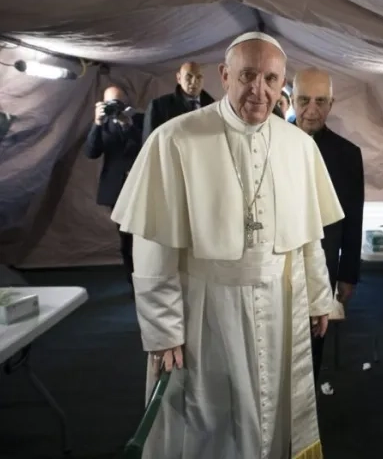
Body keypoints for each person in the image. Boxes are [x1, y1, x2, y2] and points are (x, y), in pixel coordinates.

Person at [111, 31, 344, 459]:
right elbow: (154, 247)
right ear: (224, 75)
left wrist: (317, 297)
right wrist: (163, 330)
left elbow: (310, 235)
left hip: (279, 305)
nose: (260, 90)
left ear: (283, 85)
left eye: (272, 79)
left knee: (273, 414)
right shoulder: (174, 139)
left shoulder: (298, 145)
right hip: (206, 307)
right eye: (248, 75)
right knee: (205, 418)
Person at [291, 67, 365, 381]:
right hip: (274, 266)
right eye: (304, 100)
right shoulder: (265, 146)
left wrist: (348, 274)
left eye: (321, 101)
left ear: (331, 104)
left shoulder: (348, 154)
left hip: (323, 265)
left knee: (314, 342)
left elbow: (353, 217)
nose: (312, 110)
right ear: (291, 100)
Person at [83, 85, 144, 286]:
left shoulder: (141, 120)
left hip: (141, 186)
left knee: (145, 236)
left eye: (117, 103)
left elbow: (147, 146)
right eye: (109, 103)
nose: (114, 107)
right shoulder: (103, 124)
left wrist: (128, 126)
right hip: (117, 189)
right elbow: (91, 152)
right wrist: (97, 123)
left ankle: (150, 277)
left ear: (126, 103)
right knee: (126, 238)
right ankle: (133, 282)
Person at [141, 61, 215, 142]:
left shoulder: (213, 107)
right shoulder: (158, 107)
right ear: (179, 78)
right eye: (189, 77)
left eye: (198, 77)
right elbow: (149, 145)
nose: (194, 82)